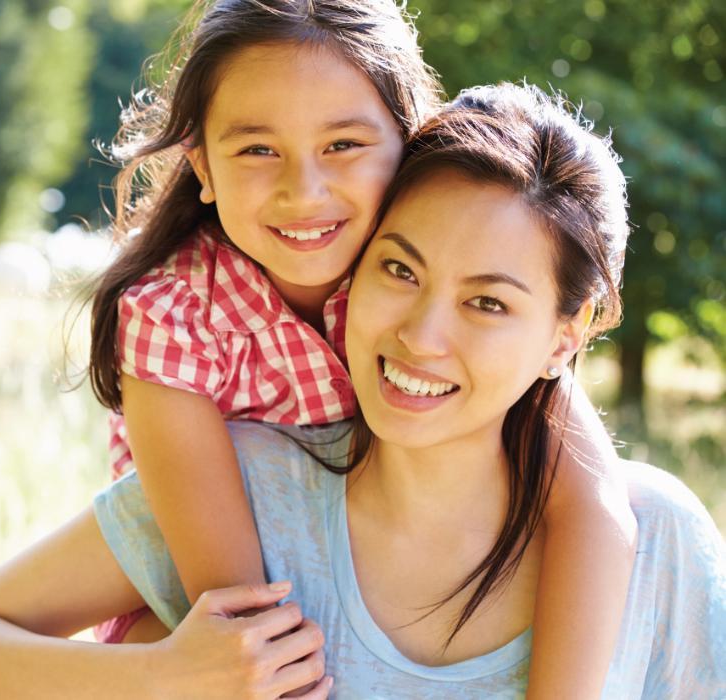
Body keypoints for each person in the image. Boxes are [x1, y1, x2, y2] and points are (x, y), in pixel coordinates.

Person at [0, 83, 724, 699]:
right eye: (398, 269)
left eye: (486, 303)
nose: (421, 336)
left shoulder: (660, 544)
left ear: (567, 333)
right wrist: (157, 674)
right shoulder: (249, 486)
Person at [83, 1, 637, 694]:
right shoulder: (174, 315)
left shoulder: (419, 284)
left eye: (342, 144)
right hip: (197, 616)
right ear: (201, 162)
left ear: (407, 144)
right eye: (256, 149)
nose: (303, 191)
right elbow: (242, 619)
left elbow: (593, 503)